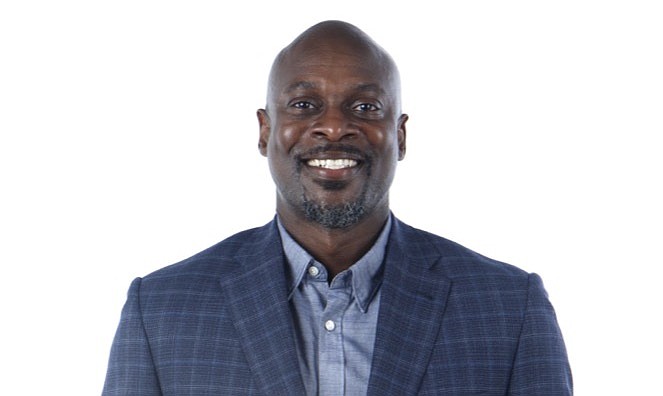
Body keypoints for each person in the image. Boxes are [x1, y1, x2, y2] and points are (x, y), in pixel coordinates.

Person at [103, 20, 572, 395]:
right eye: (304, 104)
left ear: (401, 135)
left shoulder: (509, 308)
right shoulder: (163, 310)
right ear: (265, 132)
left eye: (365, 108)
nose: (333, 126)